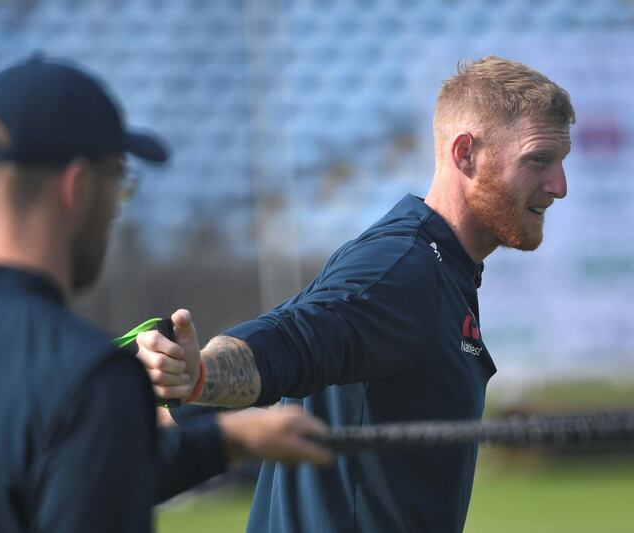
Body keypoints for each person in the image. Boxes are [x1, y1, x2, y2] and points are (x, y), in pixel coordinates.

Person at [0, 55, 332, 533]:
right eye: (118, 179)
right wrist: (115, 406)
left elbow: (22, 466)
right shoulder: (87, 378)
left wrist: (226, 439)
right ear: (75, 187)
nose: (118, 208)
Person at [136, 56, 575, 532]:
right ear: (464, 153)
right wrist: (199, 376)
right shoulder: (404, 269)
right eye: (538, 160)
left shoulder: (432, 263)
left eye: (560, 163)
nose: (559, 186)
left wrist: (187, 390)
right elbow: (292, 339)